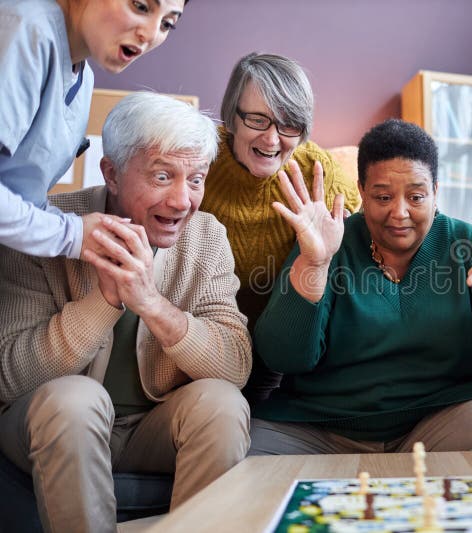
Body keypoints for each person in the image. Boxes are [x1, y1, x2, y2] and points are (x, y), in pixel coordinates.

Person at [0, 92, 252, 532]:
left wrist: (151, 303)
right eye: (162, 175)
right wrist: (107, 300)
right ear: (112, 174)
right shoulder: (47, 227)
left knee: (222, 403)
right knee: (76, 400)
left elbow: (234, 365)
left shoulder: (207, 236)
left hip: (151, 429)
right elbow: (11, 376)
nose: (181, 201)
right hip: (51, 422)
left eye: (195, 179)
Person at [248, 119, 472, 454]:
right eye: (383, 196)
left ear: (436, 191)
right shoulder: (328, 240)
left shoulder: (468, 244)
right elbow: (282, 356)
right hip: (319, 428)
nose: (400, 212)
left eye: (416, 196)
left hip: (438, 424)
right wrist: (314, 265)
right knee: (250, 451)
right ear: (361, 191)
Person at [200, 52, 360, 401]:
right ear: (232, 117)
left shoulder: (316, 170)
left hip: (281, 353)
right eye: (258, 119)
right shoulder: (199, 156)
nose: (272, 140)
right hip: (204, 342)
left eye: (289, 125)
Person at [0, 0, 187, 259]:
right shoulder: (25, 27)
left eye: (167, 24)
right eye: (141, 7)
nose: (151, 34)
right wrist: (72, 235)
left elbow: (22, 196)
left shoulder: (83, 79)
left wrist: (97, 235)